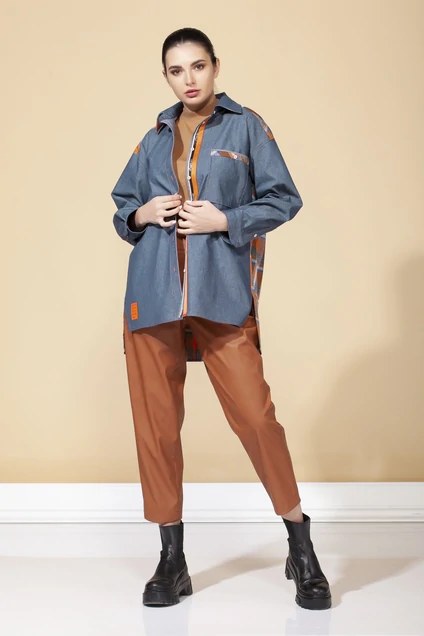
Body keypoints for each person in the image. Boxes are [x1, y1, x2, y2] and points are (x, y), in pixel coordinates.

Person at [111, 27, 331, 611]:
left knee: (257, 419)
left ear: (215, 67)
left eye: (198, 66)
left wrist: (225, 220)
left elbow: (283, 199)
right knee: (156, 429)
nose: (188, 79)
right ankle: (172, 558)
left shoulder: (247, 127)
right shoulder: (153, 138)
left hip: (221, 294)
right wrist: (141, 214)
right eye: (176, 70)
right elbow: (121, 208)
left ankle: (301, 546)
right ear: (166, 77)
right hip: (152, 297)